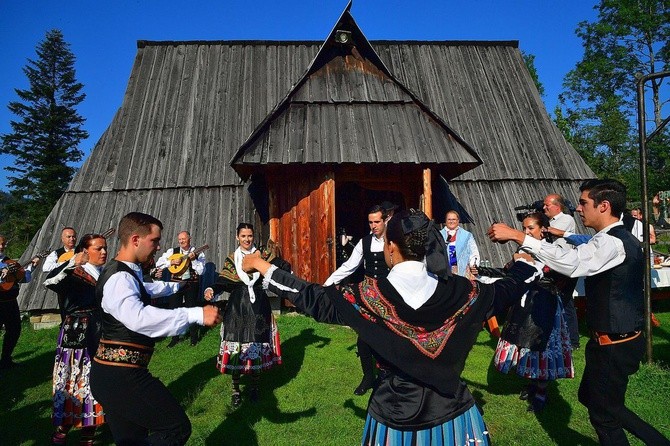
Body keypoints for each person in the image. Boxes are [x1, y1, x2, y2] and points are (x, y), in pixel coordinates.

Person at [243, 209, 539, 445]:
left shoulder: (367, 296)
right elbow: (511, 287)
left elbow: (311, 298)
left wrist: (261, 265)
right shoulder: (467, 292)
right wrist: (525, 256)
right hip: (454, 415)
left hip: (393, 417)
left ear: (391, 246)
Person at [488, 179, 670, 446]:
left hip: (615, 344)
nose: (579, 209)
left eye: (584, 203)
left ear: (604, 206)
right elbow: (576, 253)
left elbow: (572, 263)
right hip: (609, 340)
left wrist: (519, 236)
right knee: (593, 398)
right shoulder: (607, 239)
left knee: (603, 416)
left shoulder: (613, 243)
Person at [90, 212, 221, 445]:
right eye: (154, 241)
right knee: (176, 427)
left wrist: (176, 287)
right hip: (122, 376)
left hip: (111, 375)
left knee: (131, 440)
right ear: (135, 240)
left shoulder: (125, 271)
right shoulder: (120, 278)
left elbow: (147, 288)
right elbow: (139, 318)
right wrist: (195, 313)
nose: (159, 247)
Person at [492, 212, 574, 413]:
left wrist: (535, 267)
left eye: (531, 228)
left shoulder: (555, 251)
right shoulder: (523, 249)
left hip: (545, 304)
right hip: (525, 304)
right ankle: (531, 383)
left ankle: (542, 392)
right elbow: (508, 274)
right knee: (525, 346)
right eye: (524, 228)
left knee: (542, 346)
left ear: (543, 230)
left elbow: (561, 275)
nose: (526, 232)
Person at [204, 223, 290, 407]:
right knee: (237, 346)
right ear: (237, 237)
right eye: (243, 236)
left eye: (249, 236)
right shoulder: (232, 259)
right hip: (237, 306)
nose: (247, 239)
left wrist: (287, 271)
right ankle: (236, 389)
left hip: (258, 305)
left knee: (256, 344)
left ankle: (255, 386)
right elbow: (223, 281)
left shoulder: (263, 256)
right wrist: (212, 289)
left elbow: (280, 266)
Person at [43, 234, 108, 446]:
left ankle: (88, 436)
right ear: (84, 251)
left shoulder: (103, 273)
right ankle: (61, 432)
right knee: (74, 382)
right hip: (76, 337)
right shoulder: (74, 272)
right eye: (98, 248)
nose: (104, 252)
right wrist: (72, 263)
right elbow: (49, 280)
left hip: (98, 332)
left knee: (94, 383)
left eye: (105, 248)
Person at [324, 205, 389, 396]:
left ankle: (386, 377)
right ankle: (368, 377)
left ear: (385, 220)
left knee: (388, 338)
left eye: (377, 221)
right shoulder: (364, 242)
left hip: (390, 296)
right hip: (369, 295)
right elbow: (349, 266)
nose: (374, 225)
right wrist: (327, 284)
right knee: (363, 340)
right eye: (370, 222)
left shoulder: (394, 242)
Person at [155, 230, 206, 347]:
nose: (182, 241)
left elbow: (202, 271)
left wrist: (193, 260)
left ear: (190, 238)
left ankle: (193, 337)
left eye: (184, 239)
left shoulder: (198, 253)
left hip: (191, 284)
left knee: (192, 310)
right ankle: (175, 338)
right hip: (176, 285)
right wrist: (171, 262)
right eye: (180, 239)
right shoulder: (172, 252)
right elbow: (159, 264)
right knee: (174, 310)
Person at [543, 193, 580, 349]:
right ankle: (561, 335)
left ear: (557, 207)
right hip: (555, 265)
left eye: (547, 205)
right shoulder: (551, 221)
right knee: (558, 301)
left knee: (565, 302)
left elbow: (551, 233)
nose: (544, 207)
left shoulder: (566, 219)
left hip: (564, 266)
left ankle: (572, 340)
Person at [0, 235, 41, 369]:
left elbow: (24, 279)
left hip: (11, 303)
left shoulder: (11, 263)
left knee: (14, 330)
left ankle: (6, 359)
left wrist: (32, 267)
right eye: (0, 244)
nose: (2, 246)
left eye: (4, 244)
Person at [43, 227, 78, 322]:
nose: (72, 239)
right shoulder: (56, 254)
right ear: (62, 239)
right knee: (65, 314)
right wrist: (65, 263)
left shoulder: (81, 252)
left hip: (80, 286)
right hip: (64, 287)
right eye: (69, 236)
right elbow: (46, 268)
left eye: (73, 236)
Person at [439, 210, 479, 277]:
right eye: (449, 219)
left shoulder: (467, 235)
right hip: (444, 271)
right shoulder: (439, 235)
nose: (451, 221)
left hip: (462, 271)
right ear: (445, 221)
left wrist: (473, 265)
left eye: (454, 219)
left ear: (458, 220)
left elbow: (474, 252)